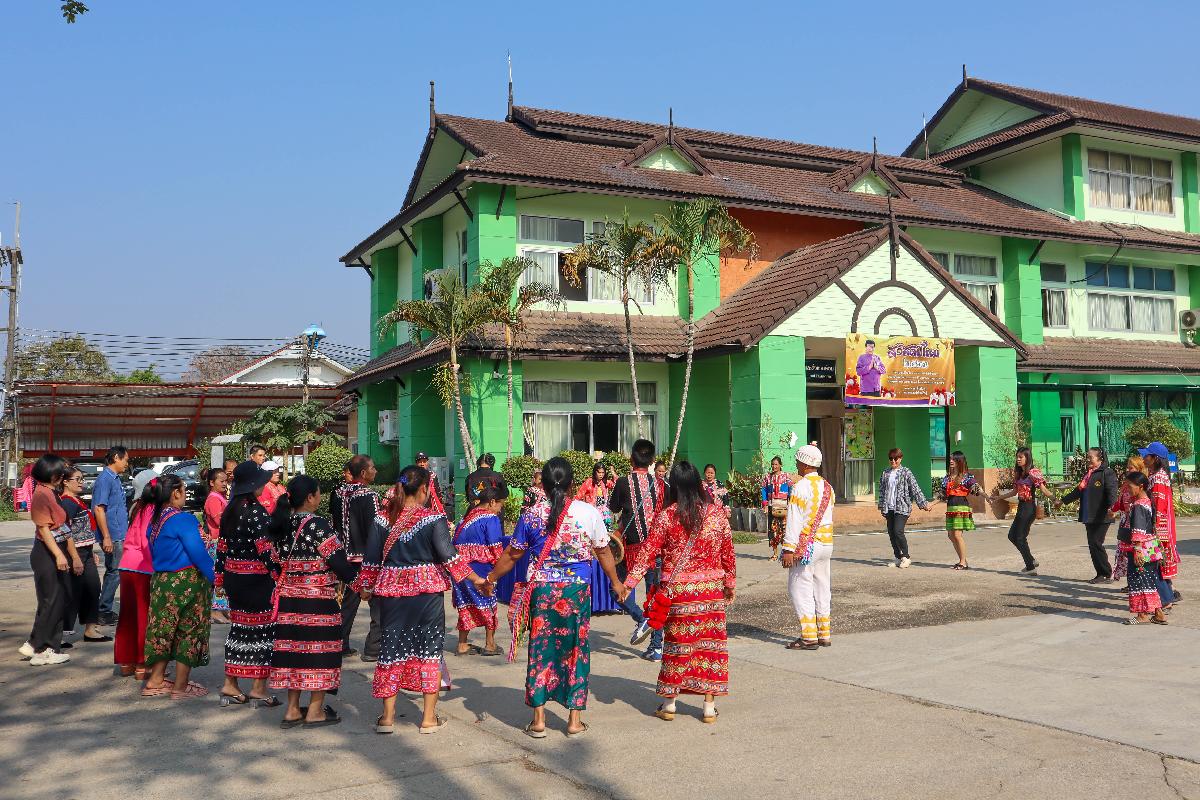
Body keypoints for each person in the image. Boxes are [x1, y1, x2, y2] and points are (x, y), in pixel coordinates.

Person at [486, 457, 627, 737]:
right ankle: (574, 721)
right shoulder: (588, 512)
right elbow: (603, 551)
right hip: (576, 592)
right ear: (573, 483)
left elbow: (512, 555)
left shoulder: (531, 515)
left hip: (542, 592)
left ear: (544, 485)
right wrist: (616, 582)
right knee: (576, 649)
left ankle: (538, 721)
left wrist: (490, 579)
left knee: (541, 649)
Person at [355, 464, 485, 735]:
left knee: (391, 649)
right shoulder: (433, 519)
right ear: (425, 489)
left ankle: (387, 718)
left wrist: (365, 587)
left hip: (391, 592)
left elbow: (371, 559)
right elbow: (449, 556)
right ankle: (427, 719)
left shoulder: (382, 519)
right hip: (427, 593)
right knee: (429, 651)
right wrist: (477, 580)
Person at [624, 461, 736, 724]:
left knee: (677, 646)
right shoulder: (716, 514)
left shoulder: (667, 516)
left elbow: (648, 551)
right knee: (710, 648)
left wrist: (629, 582)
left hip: (679, 593)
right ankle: (708, 708)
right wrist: (729, 584)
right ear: (698, 482)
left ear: (672, 486)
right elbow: (728, 552)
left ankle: (669, 704)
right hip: (710, 592)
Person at [270, 475, 360, 728]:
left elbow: (272, 561)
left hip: (289, 603)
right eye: (318, 493)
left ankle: (291, 710)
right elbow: (339, 562)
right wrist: (361, 587)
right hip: (318, 601)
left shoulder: (282, 524)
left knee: (294, 653)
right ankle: (315, 711)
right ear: (310, 497)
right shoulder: (317, 525)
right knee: (320, 654)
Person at [140, 473, 215, 699]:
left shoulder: (155, 521)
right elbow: (199, 554)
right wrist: (217, 579)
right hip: (186, 582)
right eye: (183, 489)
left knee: (163, 630)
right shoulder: (184, 520)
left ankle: (155, 680)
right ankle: (180, 687)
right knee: (189, 631)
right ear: (175, 493)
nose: (185, 494)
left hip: (161, 582)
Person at [217, 461, 280, 707]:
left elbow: (222, 548)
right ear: (254, 485)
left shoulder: (230, 511)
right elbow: (266, 550)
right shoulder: (256, 512)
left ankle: (230, 683)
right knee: (263, 631)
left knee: (239, 630)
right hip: (257, 581)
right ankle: (258, 688)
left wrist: (220, 578)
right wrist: (279, 574)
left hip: (234, 580)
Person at [608, 439, 666, 660]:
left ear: (631, 459)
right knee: (655, 598)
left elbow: (613, 508)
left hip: (630, 551)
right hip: (656, 551)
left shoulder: (623, 482)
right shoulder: (661, 485)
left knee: (616, 590)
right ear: (652, 461)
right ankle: (656, 647)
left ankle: (641, 619)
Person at [21, 454, 76, 665]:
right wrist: (59, 554)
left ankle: (37, 643)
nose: (64, 474)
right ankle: (42, 648)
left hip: (53, 550)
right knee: (52, 601)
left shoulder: (50, 492)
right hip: (47, 551)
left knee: (53, 600)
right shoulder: (42, 494)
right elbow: (44, 529)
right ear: (53, 474)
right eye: (62, 471)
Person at [782, 445, 835, 650]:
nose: (796, 465)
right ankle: (824, 633)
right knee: (822, 587)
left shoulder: (800, 487)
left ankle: (809, 636)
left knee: (800, 587)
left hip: (807, 547)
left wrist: (789, 549)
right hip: (826, 544)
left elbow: (794, 520)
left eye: (797, 462)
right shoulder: (828, 487)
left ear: (804, 464)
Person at [451, 474, 508, 656]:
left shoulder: (465, 519)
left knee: (465, 605)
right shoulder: (490, 519)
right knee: (489, 603)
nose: (500, 509)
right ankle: (490, 644)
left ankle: (462, 644)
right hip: (481, 570)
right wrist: (500, 568)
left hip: (461, 571)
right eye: (500, 505)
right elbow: (495, 546)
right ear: (492, 502)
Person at [332, 454, 381, 660]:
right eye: (372, 468)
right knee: (378, 604)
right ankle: (373, 648)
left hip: (344, 557)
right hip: (367, 558)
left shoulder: (338, 493)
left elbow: (336, 523)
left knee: (347, 604)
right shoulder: (369, 495)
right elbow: (375, 529)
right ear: (363, 472)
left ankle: (340, 644)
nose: (375, 471)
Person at [59, 465, 110, 643]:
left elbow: (84, 530)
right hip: (75, 553)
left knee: (93, 588)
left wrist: (91, 550)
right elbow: (65, 533)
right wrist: (74, 557)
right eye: (78, 479)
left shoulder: (77, 500)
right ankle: (61, 633)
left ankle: (90, 629)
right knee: (72, 593)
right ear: (65, 482)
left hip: (86, 551)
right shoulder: (66, 503)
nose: (82, 482)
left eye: (82, 479)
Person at [113, 482, 157, 678]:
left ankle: (126, 662)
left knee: (128, 616)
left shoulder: (137, 507)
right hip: (142, 568)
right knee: (144, 616)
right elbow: (146, 540)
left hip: (126, 565)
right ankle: (142, 664)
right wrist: (156, 566)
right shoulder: (152, 510)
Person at [1062, 447, 1120, 583]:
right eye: (1087, 457)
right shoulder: (1089, 474)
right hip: (1089, 514)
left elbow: (1112, 492)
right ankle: (1101, 573)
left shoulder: (1107, 473)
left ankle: (1106, 573)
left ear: (1100, 459)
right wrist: (1063, 501)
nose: (1088, 459)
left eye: (1090, 457)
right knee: (1092, 544)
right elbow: (1078, 491)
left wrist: (1112, 508)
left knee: (1096, 542)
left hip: (1102, 515)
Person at [1118, 472, 1169, 625]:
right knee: (1149, 582)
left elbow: (1138, 530)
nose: (1127, 490)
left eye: (1129, 487)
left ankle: (1142, 615)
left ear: (1140, 486)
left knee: (1138, 581)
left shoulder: (1139, 505)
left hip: (1141, 550)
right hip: (1151, 549)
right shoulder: (1147, 502)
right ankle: (1159, 614)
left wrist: (1137, 550)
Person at [994, 448, 1054, 575]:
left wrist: (1055, 499)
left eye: (1021, 457)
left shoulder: (1033, 472)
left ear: (1027, 458)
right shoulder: (1019, 473)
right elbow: (1014, 492)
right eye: (1017, 456)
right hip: (1021, 506)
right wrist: (999, 497)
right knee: (1012, 536)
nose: (1018, 459)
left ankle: (1030, 568)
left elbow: (1043, 489)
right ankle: (1031, 560)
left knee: (1020, 538)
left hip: (1029, 507)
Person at [93, 446, 131, 626]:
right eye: (126, 460)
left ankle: (104, 609)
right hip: (113, 534)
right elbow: (99, 509)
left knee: (116, 571)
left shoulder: (114, 478)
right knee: (114, 572)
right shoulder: (105, 479)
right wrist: (106, 536)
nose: (127, 464)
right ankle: (103, 611)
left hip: (119, 533)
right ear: (116, 457)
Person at [876, 449, 930, 569]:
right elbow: (882, 491)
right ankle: (897, 557)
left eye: (896, 458)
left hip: (902, 507)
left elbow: (915, 488)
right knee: (891, 533)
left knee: (898, 531)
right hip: (889, 507)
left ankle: (906, 557)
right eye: (891, 459)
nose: (893, 461)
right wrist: (881, 506)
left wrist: (923, 503)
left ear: (901, 458)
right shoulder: (885, 473)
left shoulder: (906, 472)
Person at [1139, 442, 1180, 600]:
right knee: (1156, 560)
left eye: (1146, 455)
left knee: (1156, 560)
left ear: (1155, 458)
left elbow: (1158, 506)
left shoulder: (1158, 478)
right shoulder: (1155, 475)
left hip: (1159, 526)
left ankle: (1166, 596)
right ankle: (1168, 592)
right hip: (1157, 524)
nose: (1143, 458)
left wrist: (1152, 527)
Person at [936, 451, 980, 570]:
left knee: (957, 535)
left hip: (961, 507)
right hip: (951, 508)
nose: (951, 461)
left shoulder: (966, 477)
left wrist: (987, 497)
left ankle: (963, 562)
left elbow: (976, 488)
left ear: (959, 462)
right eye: (950, 459)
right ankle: (963, 559)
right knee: (951, 535)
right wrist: (931, 505)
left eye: (954, 459)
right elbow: (942, 495)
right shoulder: (947, 478)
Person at [202, 468, 231, 624]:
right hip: (217, 543)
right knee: (218, 576)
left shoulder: (219, 497)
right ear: (212, 482)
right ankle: (215, 610)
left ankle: (223, 608)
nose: (225, 484)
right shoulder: (213, 499)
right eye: (222, 481)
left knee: (222, 576)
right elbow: (221, 522)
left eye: (226, 481)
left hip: (222, 542)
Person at [1111, 454, 1145, 585]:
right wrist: (1113, 510)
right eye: (1127, 467)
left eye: (1131, 468)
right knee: (1125, 554)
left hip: (1136, 522)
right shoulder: (1126, 484)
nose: (1127, 470)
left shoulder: (1140, 485)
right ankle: (1131, 583)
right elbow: (1120, 501)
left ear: (1139, 469)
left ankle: (1138, 583)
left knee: (1136, 553)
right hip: (1126, 521)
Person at [761, 456, 792, 560]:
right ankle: (775, 554)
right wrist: (765, 504)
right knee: (773, 530)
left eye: (776, 464)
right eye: (773, 464)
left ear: (780, 465)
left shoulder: (786, 476)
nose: (774, 466)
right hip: (772, 507)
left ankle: (784, 553)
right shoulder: (768, 477)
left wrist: (791, 503)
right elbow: (764, 490)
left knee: (784, 530)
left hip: (783, 507)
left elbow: (791, 490)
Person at [415, 452, 447, 517]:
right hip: (418, 510)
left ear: (427, 463)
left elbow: (438, 493)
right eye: (420, 462)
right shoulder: (412, 477)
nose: (422, 464)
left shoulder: (433, 476)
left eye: (424, 461)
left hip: (432, 509)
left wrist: (441, 507)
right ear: (416, 463)